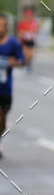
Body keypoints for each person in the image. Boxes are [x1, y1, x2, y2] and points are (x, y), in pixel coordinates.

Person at [0, 14, 25, 158]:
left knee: (2, 120)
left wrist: (13, 62)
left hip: (5, 88)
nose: (1, 27)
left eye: (3, 24)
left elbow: (22, 61)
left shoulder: (13, 43)